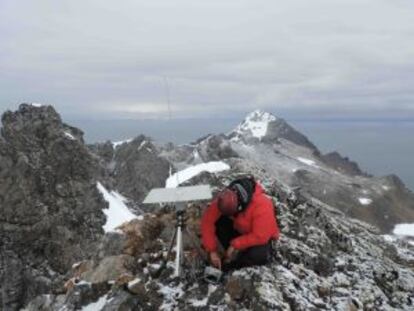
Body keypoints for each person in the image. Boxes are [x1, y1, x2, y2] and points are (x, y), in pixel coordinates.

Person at [201, 176, 280, 271]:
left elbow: (260, 236)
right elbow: (208, 220)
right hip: (240, 229)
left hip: (260, 240)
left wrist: (235, 244)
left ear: (240, 206)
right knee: (219, 221)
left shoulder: (262, 205)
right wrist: (212, 250)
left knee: (258, 254)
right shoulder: (226, 197)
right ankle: (228, 257)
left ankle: (233, 267)